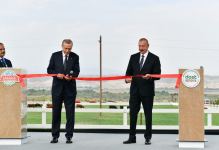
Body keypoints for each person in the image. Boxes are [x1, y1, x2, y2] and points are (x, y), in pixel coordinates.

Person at [123, 38, 161, 145]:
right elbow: (128, 73)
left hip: (147, 92)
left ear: (148, 46)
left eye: (143, 46)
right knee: (133, 114)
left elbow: (158, 75)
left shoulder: (155, 58)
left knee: (148, 115)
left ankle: (147, 137)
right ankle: (132, 137)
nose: (141, 48)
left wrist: (150, 76)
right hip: (134, 91)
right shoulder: (133, 57)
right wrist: (127, 79)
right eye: (139, 46)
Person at [47, 39, 80, 144]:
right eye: (66, 48)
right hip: (57, 89)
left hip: (70, 90)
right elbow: (49, 70)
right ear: (62, 46)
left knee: (70, 114)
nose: (67, 50)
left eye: (69, 48)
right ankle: (55, 136)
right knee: (56, 113)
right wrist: (57, 74)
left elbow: (77, 71)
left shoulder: (75, 56)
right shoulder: (55, 55)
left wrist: (71, 76)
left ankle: (69, 136)